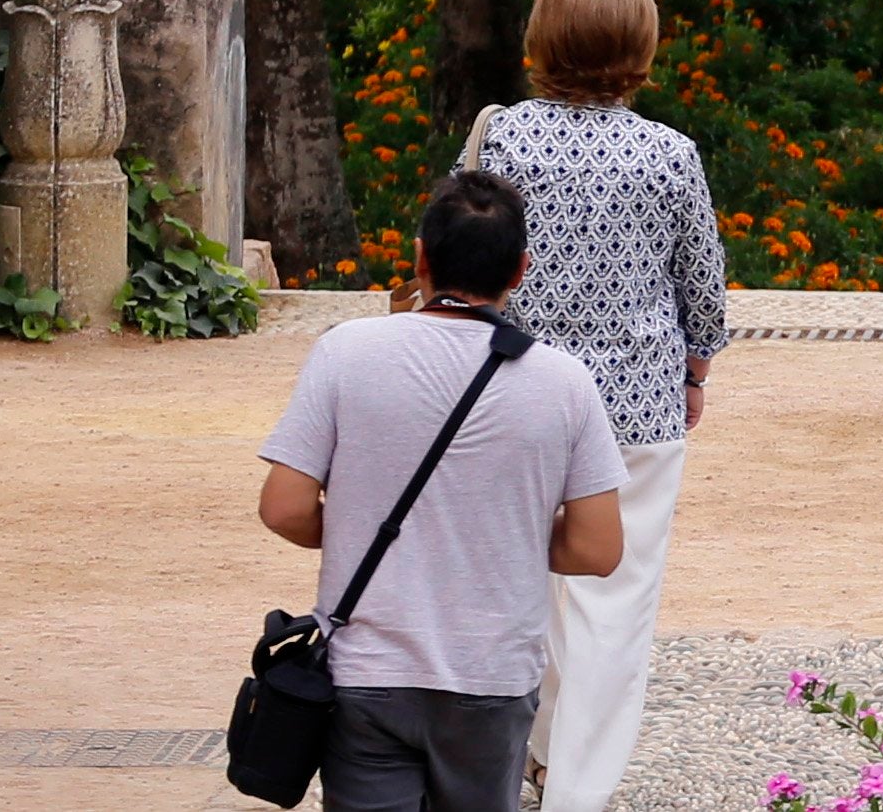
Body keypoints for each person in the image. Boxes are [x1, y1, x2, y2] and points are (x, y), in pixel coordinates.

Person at [258, 169, 629, 812]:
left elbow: (284, 505)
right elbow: (599, 550)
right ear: (519, 271)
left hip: (368, 670)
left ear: (420, 258)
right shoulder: (564, 382)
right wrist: (497, 529)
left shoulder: (346, 351)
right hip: (491, 676)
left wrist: (359, 521)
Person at [478, 0, 726, 812]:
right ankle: (578, 789)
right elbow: (703, 286)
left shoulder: (502, 140)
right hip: (636, 408)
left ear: (541, 42)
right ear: (642, 51)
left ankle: (533, 753)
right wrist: (695, 372)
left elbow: (458, 250)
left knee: (521, 576)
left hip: (511, 392)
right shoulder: (670, 154)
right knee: (614, 599)